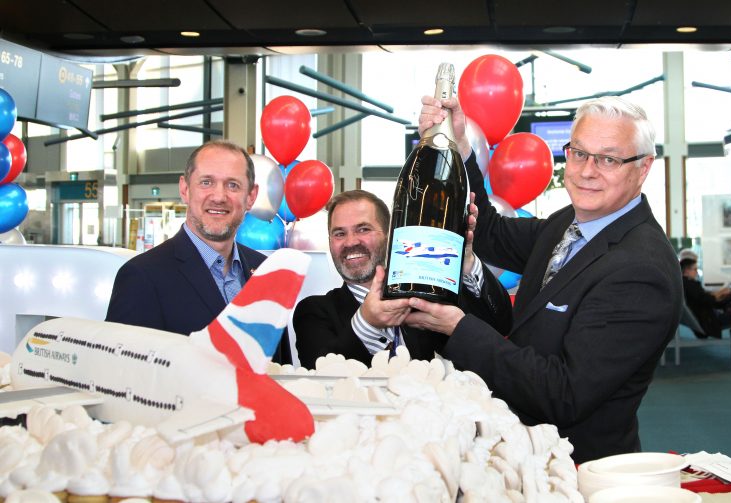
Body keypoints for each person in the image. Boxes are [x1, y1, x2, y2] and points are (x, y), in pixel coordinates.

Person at [407, 95, 683, 463]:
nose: (587, 171)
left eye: (609, 159)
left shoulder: (640, 271)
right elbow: (489, 232)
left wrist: (459, 328)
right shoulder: (569, 222)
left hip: (577, 469)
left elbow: (565, 394)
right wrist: (460, 147)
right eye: (579, 153)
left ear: (644, 167)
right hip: (524, 453)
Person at [106, 139, 291, 364]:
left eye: (233, 185)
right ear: (185, 189)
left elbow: (282, 371)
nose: (219, 196)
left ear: (251, 197)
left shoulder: (266, 272)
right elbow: (123, 374)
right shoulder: (142, 277)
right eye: (206, 182)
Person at [292, 189, 512, 369]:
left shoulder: (427, 298)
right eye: (339, 233)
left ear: (390, 236)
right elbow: (319, 377)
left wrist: (466, 262)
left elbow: (499, 324)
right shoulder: (314, 311)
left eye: (363, 229)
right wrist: (367, 323)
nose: (350, 242)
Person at [680, 256, 731, 354]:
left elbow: (704, 298)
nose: (697, 272)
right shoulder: (690, 285)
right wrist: (721, 293)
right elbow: (708, 300)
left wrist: (720, 294)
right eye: (695, 269)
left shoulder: (686, 284)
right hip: (710, 322)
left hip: (708, 318)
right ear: (687, 270)